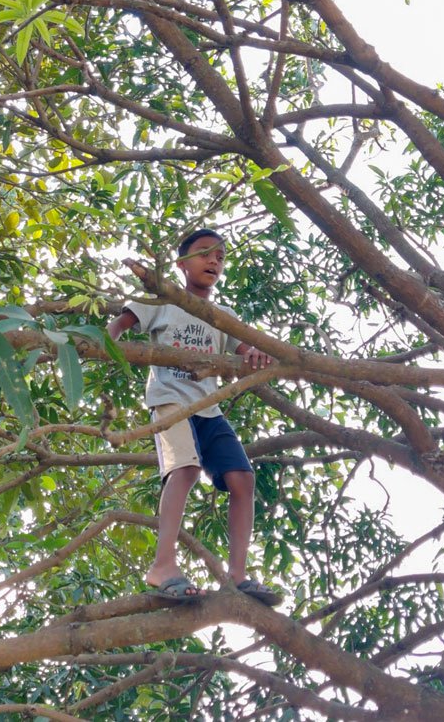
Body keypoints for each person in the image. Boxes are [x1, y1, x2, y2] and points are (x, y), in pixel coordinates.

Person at [107, 228, 284, 605]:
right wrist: (104, 345)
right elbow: (118, 328)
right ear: (181, 263)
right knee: (184, 469)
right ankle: (162, 566)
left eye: (220, 257)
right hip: (171, 401)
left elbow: (246, 349)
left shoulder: (224, 316)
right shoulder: (163, 302)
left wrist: (255, 356)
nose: (213, 261)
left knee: (242, 479)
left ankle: (236, 576)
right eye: (204, 253)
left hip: (209, 407)